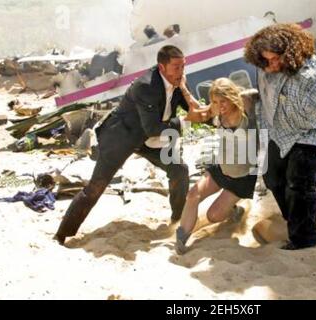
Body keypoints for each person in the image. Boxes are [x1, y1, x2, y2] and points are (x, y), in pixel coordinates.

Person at [54, 46, 209, 245]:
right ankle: (62, 234)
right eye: (176, 67)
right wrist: (185, 121)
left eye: (183, 66)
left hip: (150, 138)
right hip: (121, 136)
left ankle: (177, 221)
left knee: (179, 170)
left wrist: (212, 112)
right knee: (96, 187)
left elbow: (192, 108)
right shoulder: (145, 86)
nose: (181, 71)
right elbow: (154, 126)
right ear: (162, 67)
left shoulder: (179, 80)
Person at [244, 23, 316, 250]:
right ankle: (294, 220)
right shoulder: (264, 64)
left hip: (315, 130)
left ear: (289, 55)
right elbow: (266, 91)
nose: (270, 65)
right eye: (265, 60)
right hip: (282, 128)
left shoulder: (307, 77)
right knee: (272, 177)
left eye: (274, 60)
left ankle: (305, 238)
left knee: (299, 184)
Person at [175, 78, 258, 254]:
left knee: (214, 216)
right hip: (220, 168)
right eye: (215, 101)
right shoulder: (217, 110)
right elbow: (197, 109)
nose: (219, 106)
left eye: (223, 101)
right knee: (192, 195)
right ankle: (182, 237)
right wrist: (182, 87)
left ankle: (235, 211)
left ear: (232, 97)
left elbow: (262, 96)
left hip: (241, 177)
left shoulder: (245, 109)